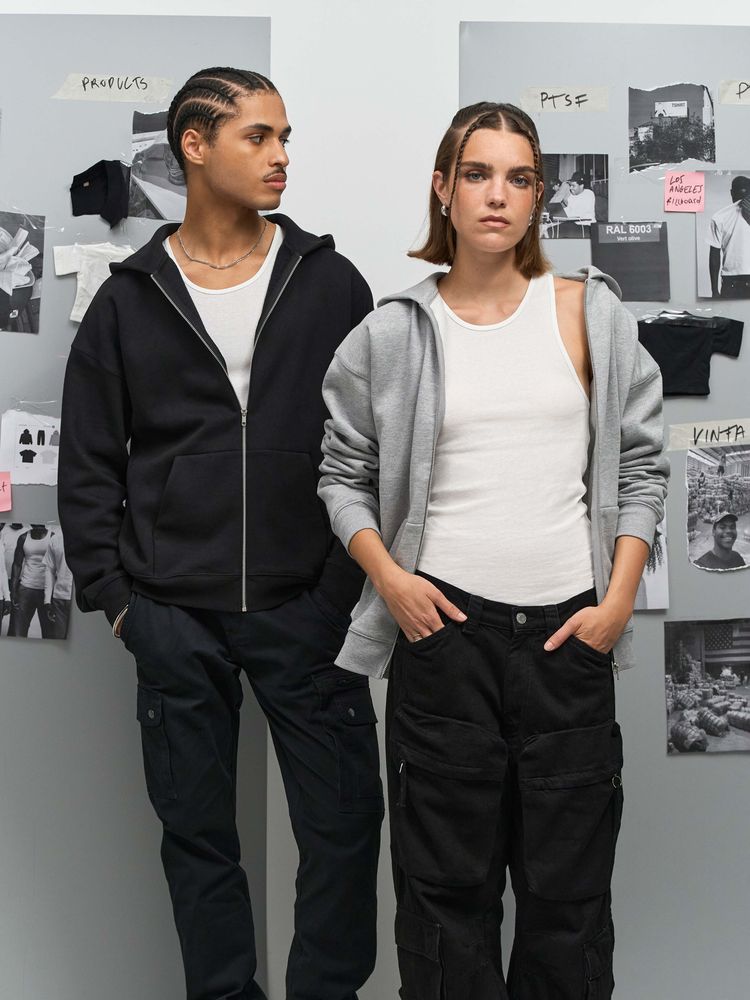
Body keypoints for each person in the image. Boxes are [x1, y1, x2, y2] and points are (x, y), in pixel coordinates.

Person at [319, 102, 668, 999]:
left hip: (568, 640)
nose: (497, 195)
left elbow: (641, 467)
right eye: (477, 174)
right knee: (445, 906)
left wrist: (618, 601)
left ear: (539, 196)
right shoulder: (393, 333)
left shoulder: (591, 314)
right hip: (445, 640)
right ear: (443, 188)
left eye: (519, 178)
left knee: (569, 905)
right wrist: (391, 581)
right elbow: (341, 475)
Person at [58, 67, 382, 1000]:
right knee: (198, 840)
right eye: (259, 137)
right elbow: (89, 464)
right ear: (194, 146)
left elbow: (375, 446)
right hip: (173, 613)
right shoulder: (128, 298)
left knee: (344, 828)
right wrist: (122, 605)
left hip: (306, 608)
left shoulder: (329, 283)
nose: (282, 157)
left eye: (286, 138)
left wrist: (338, 592)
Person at [709, 175, 750, 298]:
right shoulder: (719, 217)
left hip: (731, 283)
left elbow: (714, 256)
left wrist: (714, 291)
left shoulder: (719, 216)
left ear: (732, 193)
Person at [8, 524, 52, 637]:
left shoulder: (52, 537)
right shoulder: (23, 538)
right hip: (26, 588)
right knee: (17, 633)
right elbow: (17, 564)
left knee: (50, 634)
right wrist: (13, 591)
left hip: (46, 591)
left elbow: (57, 566)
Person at [42, 529, 73, 639]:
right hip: (59, 599)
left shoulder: (89, 536)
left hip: (80, 600)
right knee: (58, 639)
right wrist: (47, 600)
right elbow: (49, 570)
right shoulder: (56, 539)